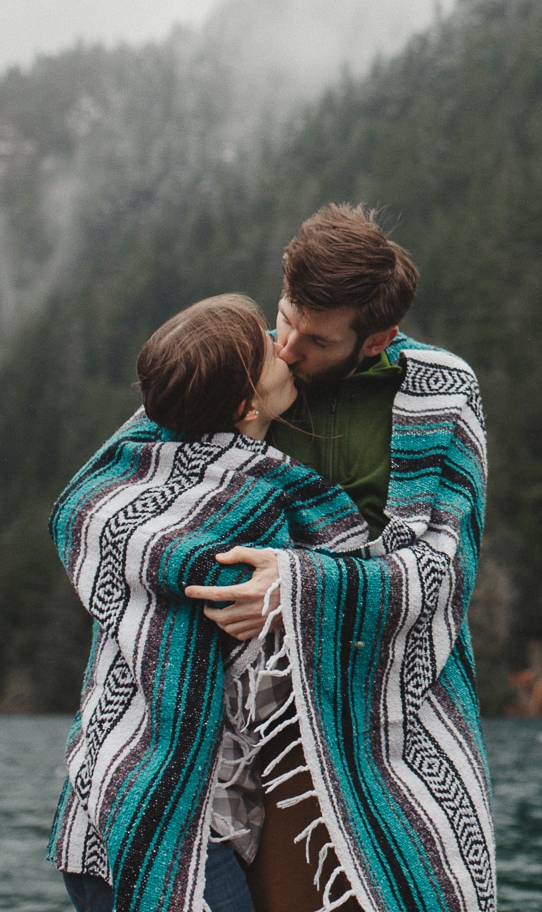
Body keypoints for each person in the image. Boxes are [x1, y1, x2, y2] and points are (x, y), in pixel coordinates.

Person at [52, 206, 496, 912]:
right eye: (284, 317)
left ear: (375, 336)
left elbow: (443, 570)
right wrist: (206, 569)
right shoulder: (234, 366)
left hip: (365, 723)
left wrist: (297, 587)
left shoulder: (439, 393)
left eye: (314, 339)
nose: (286, 346)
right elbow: (106, 500)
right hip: (215, 738)